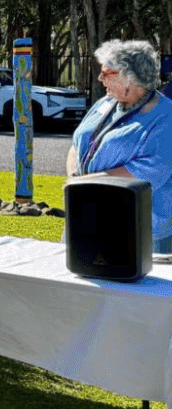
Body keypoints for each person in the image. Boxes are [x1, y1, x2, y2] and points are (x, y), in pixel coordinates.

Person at [68, 38, 172, 252]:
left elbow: (146, 173)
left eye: (107, 73)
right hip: (86, 214)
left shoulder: (165, 117)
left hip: (138, 231)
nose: (99, 78)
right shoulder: (105, 102)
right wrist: (73, 180)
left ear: (131, 78)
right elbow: (77, 143)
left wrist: (80, 185)